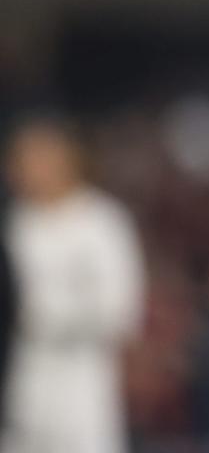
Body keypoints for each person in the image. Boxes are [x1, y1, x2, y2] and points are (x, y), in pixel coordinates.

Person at [1, 117, 145, 453]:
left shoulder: (102, 222)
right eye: (21, 162)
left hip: (83, 392)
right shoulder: (13, 224)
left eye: (39, 159)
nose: (29, 171)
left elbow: (121, 310)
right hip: (22, 390)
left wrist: (48, 314)